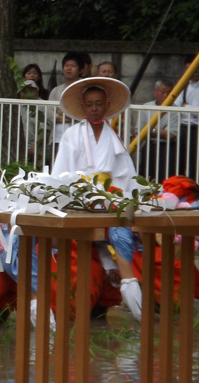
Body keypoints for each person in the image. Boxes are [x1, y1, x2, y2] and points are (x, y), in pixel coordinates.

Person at [51, 77, 138, 321]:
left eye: (99, 103)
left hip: (111, 197)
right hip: (81, 197)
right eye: (89, 104)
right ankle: (115, 271)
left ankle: (124, 277)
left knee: (122, 230)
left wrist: (132, 199)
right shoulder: (72, 134)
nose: (94, 109)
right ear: (83, 106)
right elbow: (62, 172)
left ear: (106, 105)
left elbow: (126, 174)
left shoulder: (113, 136)